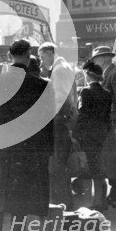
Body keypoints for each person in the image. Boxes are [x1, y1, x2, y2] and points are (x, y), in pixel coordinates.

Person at [0, 39, 55, 231]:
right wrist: (46, 153)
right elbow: (46, 124)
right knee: (19, 201)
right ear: (29, 55)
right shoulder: (41, 85)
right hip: (27, 153)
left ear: (9, 55)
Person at [90, 46, 116, 208]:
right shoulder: (110, 74)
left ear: (104, 59)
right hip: (111, 125)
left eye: (95, 60)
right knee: (113, 161)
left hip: (115, 126)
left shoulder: (115, 75)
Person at [38, 42, 76, 207]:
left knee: (57, 166)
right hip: (64, 120)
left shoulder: (59, 69)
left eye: (42, 56)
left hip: (58, 121)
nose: (41, 61)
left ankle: (62, 202)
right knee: (60, 165)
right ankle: (64, 201)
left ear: (49, 52)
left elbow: (60, 98)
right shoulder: (63, 67)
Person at [75, 61, 112, 212]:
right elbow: (107, 116)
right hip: (102, 133)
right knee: (99, 167)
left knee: (91, 167)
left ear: (88, 75)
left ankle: (94, 202)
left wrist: (76, 133)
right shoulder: (107, 93)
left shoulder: (85, 92)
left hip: (88, 134)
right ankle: (101, 200)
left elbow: (83, 114)